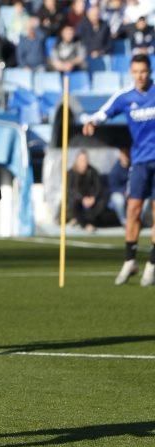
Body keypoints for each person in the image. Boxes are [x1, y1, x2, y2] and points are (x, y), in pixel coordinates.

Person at [84, 54, 155, 286]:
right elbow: (104, 112)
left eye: (143, 71)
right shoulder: (125, 97)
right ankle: (129, 261)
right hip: (140, 161)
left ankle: (152, 265)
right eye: (135, 72)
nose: (140, 76)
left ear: (150, 71)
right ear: (131, 73)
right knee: (133, 208)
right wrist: (92, 122)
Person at [67, 150, 108, 232]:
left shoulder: (93, 171)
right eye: (81, 160)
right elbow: (71, 190)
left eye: (85, 160)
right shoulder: (71, 173)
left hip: (91, 198)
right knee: (73, 202)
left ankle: (85, 221)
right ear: (77, 160)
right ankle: (85, 224)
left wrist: (93, 197)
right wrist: (82, 199)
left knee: (103, 201)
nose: (83, 162)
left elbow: (98, 187)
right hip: (78, 199)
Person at [108, 148, 131, 225]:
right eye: (124, 155)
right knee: (119, 199)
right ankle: (124, 221)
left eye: (127, 155)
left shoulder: (133, 167)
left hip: (131, 193)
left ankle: (138, 220)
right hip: (118, 194)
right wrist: (124, 192)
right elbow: (113, 188)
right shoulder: (115, 170)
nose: (126, 158)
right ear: (120, 156)